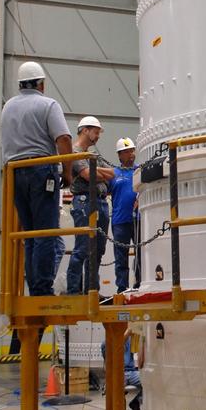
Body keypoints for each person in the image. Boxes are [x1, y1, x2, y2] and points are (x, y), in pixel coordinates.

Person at [0, 60, 71, 297]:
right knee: (45, 232)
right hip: (41, 170)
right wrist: (67, 171)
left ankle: (35, 287)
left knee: (29, 234)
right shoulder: (48, 104)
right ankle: (41, 289)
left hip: (13, 172)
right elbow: (63, 139)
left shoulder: (7, 107)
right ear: (41, 84)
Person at [66, 115, 114, 295]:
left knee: (98, 249)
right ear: (85, 130)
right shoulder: (75, 151)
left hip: (100, 202)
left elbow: (111, 174)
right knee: (84, 247)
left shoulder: (93, 155)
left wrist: (98, 173)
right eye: (96, 132)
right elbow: (87, 174)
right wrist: (99, 173)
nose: (98, 136)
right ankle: (73, 290)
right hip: (85, 201)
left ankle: (91, 289)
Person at [110, 136, 139, 294]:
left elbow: (146, 189)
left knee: (140, 253)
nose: (131, 154)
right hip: (119, 221)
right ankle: (122, 287)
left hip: (138, 219)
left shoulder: (139, 170)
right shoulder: (113, 173)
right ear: (119, 155)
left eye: (132, 150)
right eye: (127, 151)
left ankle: (139, 284)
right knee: (121, 256)